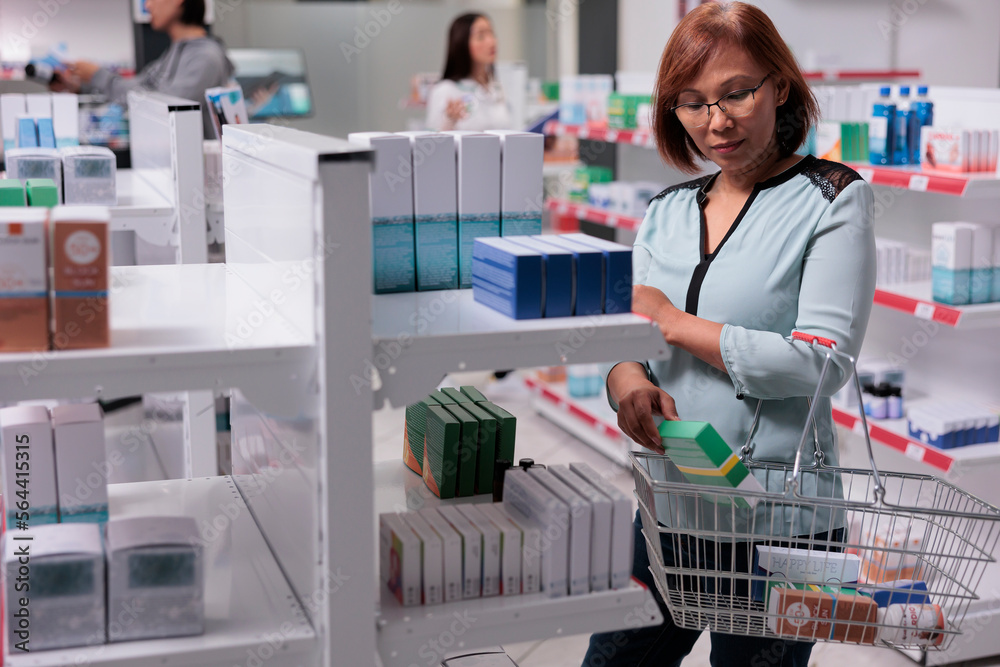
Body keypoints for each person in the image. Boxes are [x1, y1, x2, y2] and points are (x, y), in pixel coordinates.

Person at [582, 3, 876, 667]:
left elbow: (823, 365)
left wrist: (674, 323)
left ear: (777, 85)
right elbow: (630, 336)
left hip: (779, 528)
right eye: (691, 102)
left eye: (736, 92)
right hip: (669, 511)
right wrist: (626, 378)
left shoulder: (832, 197)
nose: (715, 121)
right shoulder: (664, 212)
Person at [53, 0, 233, 138]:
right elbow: (136, 88)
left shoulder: (205, 57)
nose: (147, 5)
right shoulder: (173, 54)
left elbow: (163, 107)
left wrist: (98, 76)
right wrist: (80, 86)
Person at [425, 13, 512, 132]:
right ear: (462, 43)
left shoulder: (496, 87)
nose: (491, 42)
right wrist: (449, 121)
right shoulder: (445, 90)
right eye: (481, 36)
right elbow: (432, 142)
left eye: (492, 33)